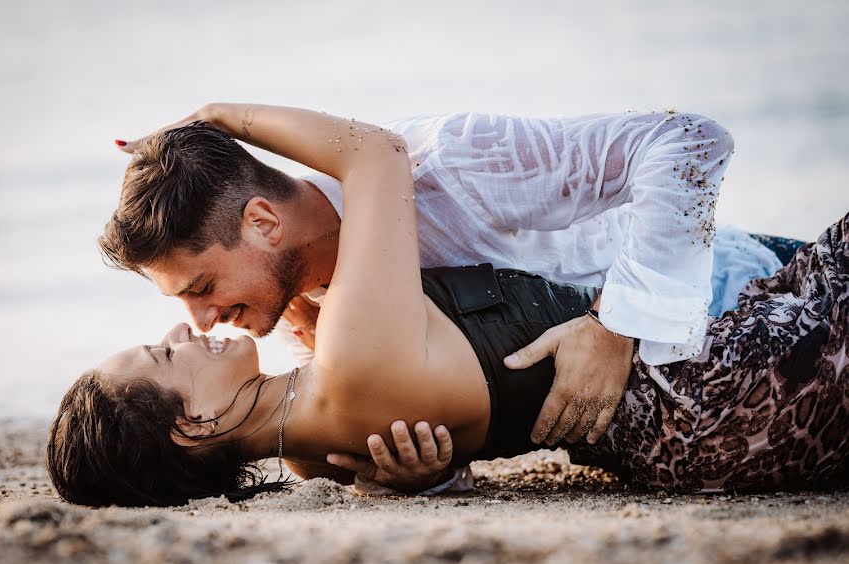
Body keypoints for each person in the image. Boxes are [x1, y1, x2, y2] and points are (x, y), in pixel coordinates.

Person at [47, 108, 848, 506]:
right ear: (192, 428)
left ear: (261, 224)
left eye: (198, 291)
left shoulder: (307, 446)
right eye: (164, 350)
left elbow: (459, 401)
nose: (194, 324)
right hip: (724, 383)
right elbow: (374, 153)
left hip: (697, 395)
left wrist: (427, 482)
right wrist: (217, 116)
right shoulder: (348, 358)